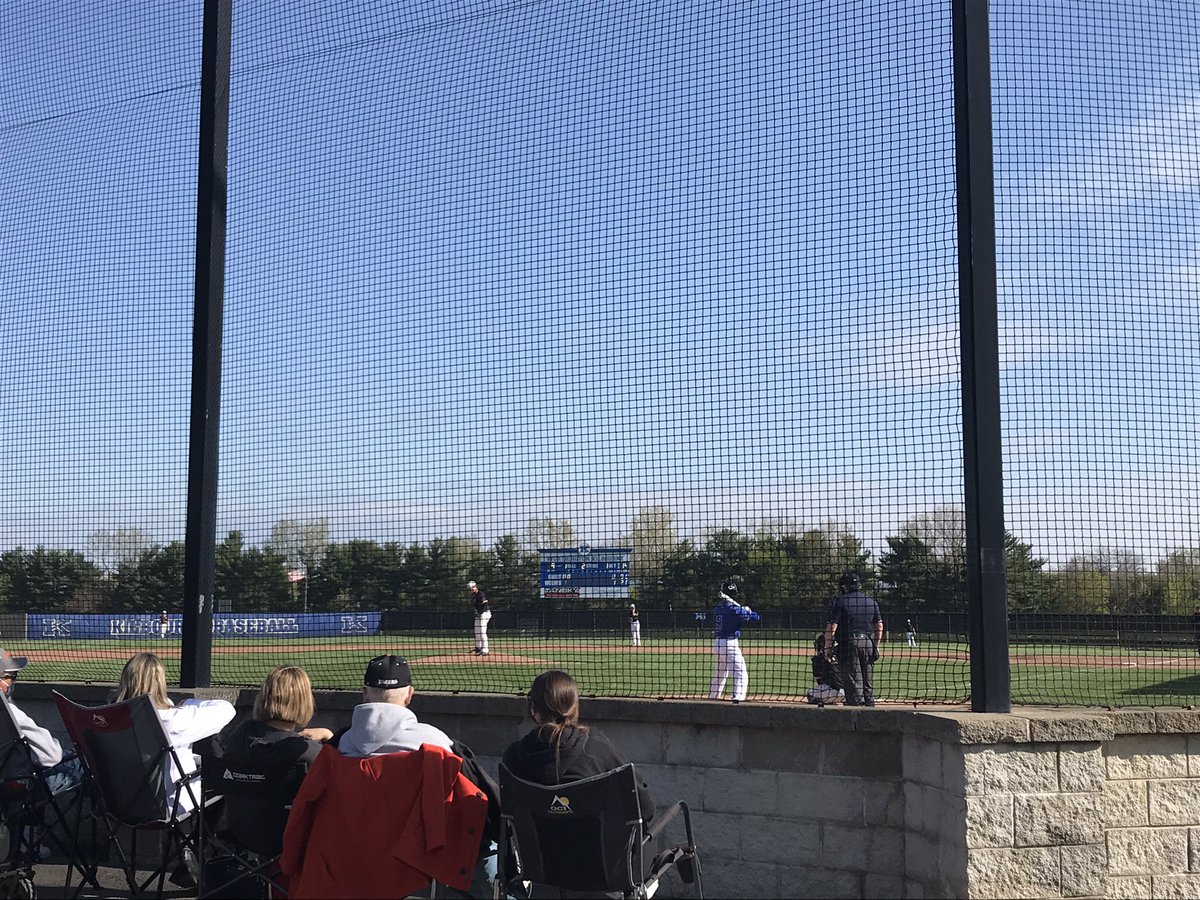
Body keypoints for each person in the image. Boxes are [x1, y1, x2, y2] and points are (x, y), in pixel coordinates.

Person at [336, 655, 498, 897]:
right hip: (420, 854)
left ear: (365, 694)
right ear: (409, 695)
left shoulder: (338, 746)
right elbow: (482, 796)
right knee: (487, 839)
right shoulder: (435, 742)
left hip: (355, 850)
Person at [503, 670, 660, 878]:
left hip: (542, 874)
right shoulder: (599, 750)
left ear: (533, 709)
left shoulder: (513, 759)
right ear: (574, 706)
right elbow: (645, 808)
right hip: (606, 876)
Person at [217, 665, 333, 855]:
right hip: (286, 839)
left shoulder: (240, 735)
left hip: (240, 832)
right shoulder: (304, 751)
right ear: (304, 701)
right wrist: (330, 738)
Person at [114, 652, 236, 815]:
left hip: (120, 804)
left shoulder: (110, 718)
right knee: (219, 777)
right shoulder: (172, 721)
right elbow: (227, 709)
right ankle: (192, 839)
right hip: (169, 807)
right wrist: (188, 702)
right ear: (160, 683)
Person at [0, 647, 81, 794]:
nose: (13, 681)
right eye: (11, 676)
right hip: (20, 786)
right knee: (84, 763)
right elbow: (51, 756)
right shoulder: (10, 713)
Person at [823, 572, 883, 707]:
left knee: (853, 678)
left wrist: (828, 648)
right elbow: (879, 625)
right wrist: (876, 646)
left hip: (849, 642)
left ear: (846, 586)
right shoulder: (871, 601)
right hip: (868, 641)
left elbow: (832, 626)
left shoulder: (840, 601)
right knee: (867, 677)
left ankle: (856, 708)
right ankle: (869, 704)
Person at [707, 576, 760, 703]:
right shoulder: (735, 610)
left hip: (717, 643)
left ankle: (713, 695)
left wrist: (744, 610)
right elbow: (756, 618)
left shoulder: (718, 608)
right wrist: (748, 611)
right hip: (729, 643)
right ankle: (738, 698)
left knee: (720, 672)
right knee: (740, 673)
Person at [468, 580, 491, 656]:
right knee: (477, 631)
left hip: (484, 613)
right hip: (478, 614)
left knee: (482, 632)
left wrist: (480, 611)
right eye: (470, 588)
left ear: (475, 587)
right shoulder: (473, 596)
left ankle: (485, 650)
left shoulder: (480, 594)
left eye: (472, 587)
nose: (471, 589)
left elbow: (485, 602)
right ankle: (478, 647)